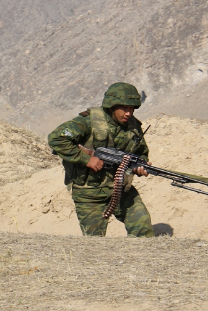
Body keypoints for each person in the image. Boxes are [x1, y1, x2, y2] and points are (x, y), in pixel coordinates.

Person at [47, 82, 154, 237]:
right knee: (94, 244)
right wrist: (86, 159)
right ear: (111, 106)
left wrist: (140, 166)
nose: (128, 113)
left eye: (131, 108)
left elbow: (142, 152)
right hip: (89, 193)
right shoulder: (89, 121)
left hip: (120, 189)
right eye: (124, 108)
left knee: (142, 227)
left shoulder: (133, 126)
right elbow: (56, 139)